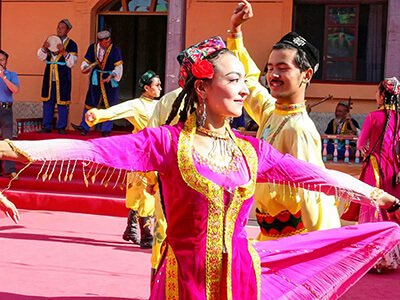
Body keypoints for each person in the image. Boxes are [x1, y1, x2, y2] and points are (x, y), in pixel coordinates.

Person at [0, 36, 400, 299]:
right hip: (182, 280)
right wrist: (14, 147)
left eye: (246, 80)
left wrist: (376, 194)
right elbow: (94, 151)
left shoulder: (250, 149)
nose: (246, 88)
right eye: (234, 79)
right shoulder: (167, 142)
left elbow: (312, 175)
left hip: (241, 275)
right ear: (203, 88)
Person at [228, 1, 341, 240]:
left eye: (282, 68)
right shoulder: (273, 112)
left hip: (292, 242)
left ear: (306, 75)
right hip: (267, 237)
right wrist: (235, 32)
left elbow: (313, 192)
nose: (273, 76)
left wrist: (317, 249)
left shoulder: (298, 128)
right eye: (270, 68)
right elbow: (249, 80)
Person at [85, 70, 162, 249]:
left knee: (146, 191)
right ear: (146, 88)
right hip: (141, 153)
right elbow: (115, 111)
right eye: (156, 85)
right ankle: (147, 235)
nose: (160, 88)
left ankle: (131, 228)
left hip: (156, 153)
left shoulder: (161, 104)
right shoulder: (136, 105)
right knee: (142, 193)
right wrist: (97, 115)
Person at [352, 77, 400, 272]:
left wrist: (366, 153)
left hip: (374, 167)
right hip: (393, 169)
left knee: (373, 208)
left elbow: (360, 144)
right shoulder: (399, 118)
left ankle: (373, 258)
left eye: (376, 93)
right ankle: (392, 256)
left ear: (382, 95)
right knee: (391, 210)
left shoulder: (373, 117)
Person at [71, 30, 123, 137]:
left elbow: (119, 67)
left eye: (109, 41)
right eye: (105, 42)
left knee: (109, 104)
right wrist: (85, 67)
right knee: (90, 102)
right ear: (100, 41)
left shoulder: (115, 50)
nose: (107, 43)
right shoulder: (92, 48)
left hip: (110, 80)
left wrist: (112, 75)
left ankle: (106, 130)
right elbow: (86, 62)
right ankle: (84, 127)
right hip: (96, 79)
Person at [37, 19, 78, 134]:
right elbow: (41, 57)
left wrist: (64, 52)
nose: (59, 29)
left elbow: (72, 63)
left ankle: (61, 127)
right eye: (58, 27)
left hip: (63, 78)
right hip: (49, 77)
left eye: (62, 28)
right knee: (48, 101)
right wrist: (44, 48)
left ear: (68, 30)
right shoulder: (51, 41)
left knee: (62, 103)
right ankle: (47, 126)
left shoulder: (72, 44)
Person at [0, 50, 20, 180]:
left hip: (6, 109)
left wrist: (3, 77)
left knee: (8, 141)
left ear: (6, 61)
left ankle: (10, 170)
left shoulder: (11, 75)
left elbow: (15, 90)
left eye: (2, 60)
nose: (0, 62)